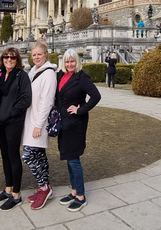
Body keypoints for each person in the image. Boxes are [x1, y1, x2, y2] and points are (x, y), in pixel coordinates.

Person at [55, 49, 101, 211]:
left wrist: (80, 109)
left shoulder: (82, 77)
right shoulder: (60, 75)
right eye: (67, 62)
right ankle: (74, 191)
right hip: (62, 123)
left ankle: (80, 195)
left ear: (77, 62)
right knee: (68, 157)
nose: (69, 64)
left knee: (74, 159)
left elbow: (96, 96)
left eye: (72, 61)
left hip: (75, 123)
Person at [0, 48, 32, 211]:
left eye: (12, 57)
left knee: (13, 155)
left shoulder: (21, 76)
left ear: (17, 60)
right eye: (6, 57)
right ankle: (8, 188)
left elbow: (26, 99)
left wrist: (10, 113)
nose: (9, 59)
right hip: (0, 121)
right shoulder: (0, 75)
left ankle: (16, 194)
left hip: (13, 121)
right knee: (4, 155)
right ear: (2, 59)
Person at [22, 41, 57, 210]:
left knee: (28, 156)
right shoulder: (33, 71)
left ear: (46, 55)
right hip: (31, 120)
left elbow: (47, 101)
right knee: (40, 157)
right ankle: (45, 187)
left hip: (39, 123)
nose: (36, 57)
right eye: (34, 54)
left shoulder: (49, 73)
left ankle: (43, 187)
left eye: (39, 54)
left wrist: (38, 125)